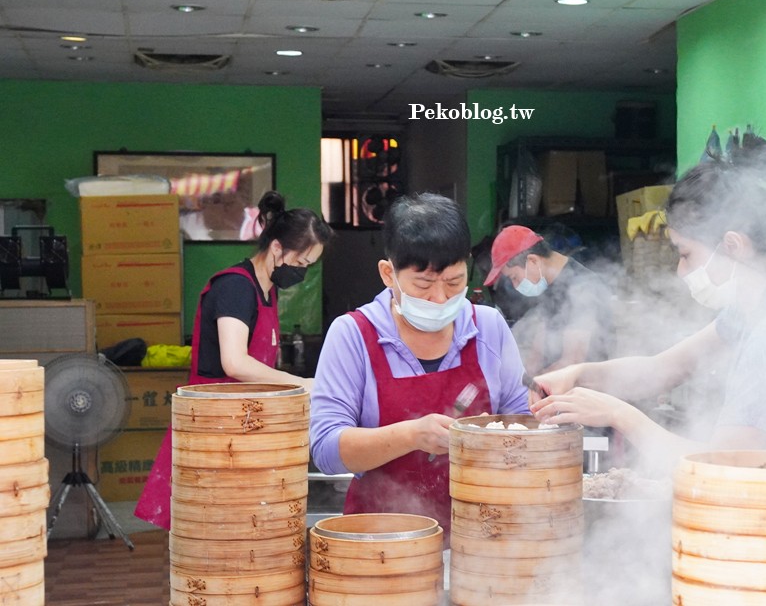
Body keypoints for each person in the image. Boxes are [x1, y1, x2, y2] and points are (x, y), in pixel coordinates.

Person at [529, 162, 766, 457]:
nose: (681, 271)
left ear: (734, 246)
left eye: (685, 254)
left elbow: (727, 463)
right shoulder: (750, 313)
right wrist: (577, 375)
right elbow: (661, 369)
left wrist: (617, 414)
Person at [309, 193, 530, 537]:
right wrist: (412, 434)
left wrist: (494, 437)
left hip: (481, 538)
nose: (440, 298)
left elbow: (522, 424)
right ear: (388, 273)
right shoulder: (354, 335)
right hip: (384, 543)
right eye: (424, 284)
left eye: (454, 282)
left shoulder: (488, 327)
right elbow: (326, 450)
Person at [134, 190, 332, 529]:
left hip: (243, 425)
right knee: (206, 530)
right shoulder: (235, 287)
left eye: (308, 267)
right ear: (276, 248)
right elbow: (235, 363)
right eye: (300, 264)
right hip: (215, 424)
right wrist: (301, 384)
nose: (301, 273)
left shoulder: (266, 289)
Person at [483, 224, 615, 376]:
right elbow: (536, 355)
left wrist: (531, 385)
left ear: (533, 261)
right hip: (558, 385)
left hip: (587, 390)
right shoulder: (551, 287)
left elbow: (572, 363)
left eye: (514, 277)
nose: (515, 285)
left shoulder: (584, 288)